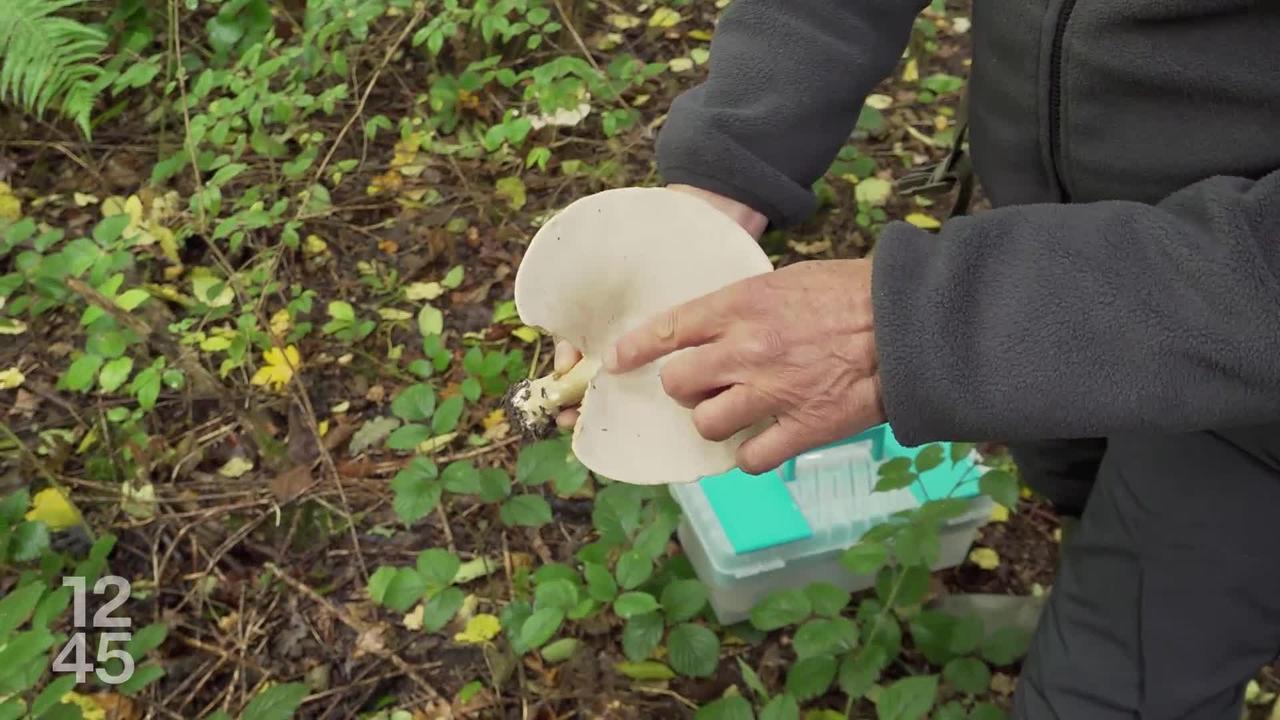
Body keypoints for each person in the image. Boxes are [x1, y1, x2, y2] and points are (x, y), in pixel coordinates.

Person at [552, 1, 1280, 717]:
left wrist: (916, 323)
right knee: (1081, 486)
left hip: (1249, 377)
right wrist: (726, 167)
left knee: (1116, 681)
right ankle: (1089, 596)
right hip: (1046, 241)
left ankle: (1120, 651)